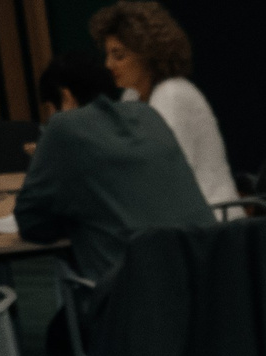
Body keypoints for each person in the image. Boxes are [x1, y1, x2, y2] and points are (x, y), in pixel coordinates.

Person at [18, 49, 213, 356]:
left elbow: (31, 222)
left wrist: (70, 212)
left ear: (64, 97)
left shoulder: (64, 127)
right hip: (208, 286)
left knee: (59, 337)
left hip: (133, 302)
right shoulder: (148, 116)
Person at [91, 1, 237, 214]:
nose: (108, 65)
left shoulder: (172, 94)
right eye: (108, 55)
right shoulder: (131, 98)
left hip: (212, 221)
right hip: (178, 219)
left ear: (148, 55)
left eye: (119, 55)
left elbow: (166, 177)